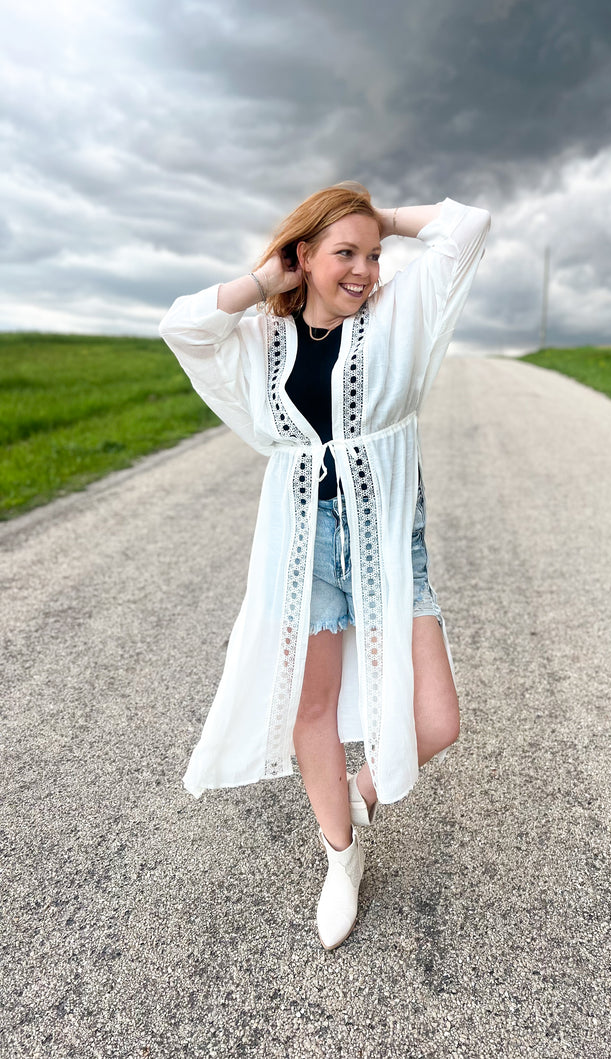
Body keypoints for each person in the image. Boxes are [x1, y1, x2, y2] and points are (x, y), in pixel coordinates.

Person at [159, 182, 490, 950]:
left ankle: (357, 801)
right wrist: (263, 281)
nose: (366, 270)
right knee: (313, 709)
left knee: (438, 717)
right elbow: (182, 324)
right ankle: (340, 855)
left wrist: (384, 220)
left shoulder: (398, 316)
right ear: (303, 257)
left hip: (385, 538)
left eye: (373, 255)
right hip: (302, 541)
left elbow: (467, 227)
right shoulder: (261, 344)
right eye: (345, 253)